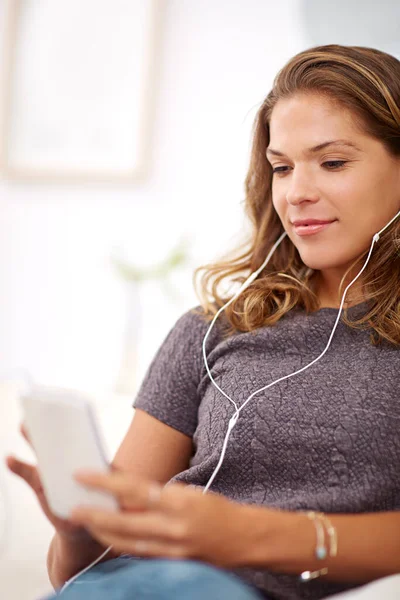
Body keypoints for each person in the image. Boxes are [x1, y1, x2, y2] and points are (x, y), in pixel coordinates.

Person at [6, 43, 400, 600]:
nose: (297, 194)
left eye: (332, 162)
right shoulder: (213, 328)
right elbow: (72, 573)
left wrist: (249, 536)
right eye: (281, 168)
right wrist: (80, 530)